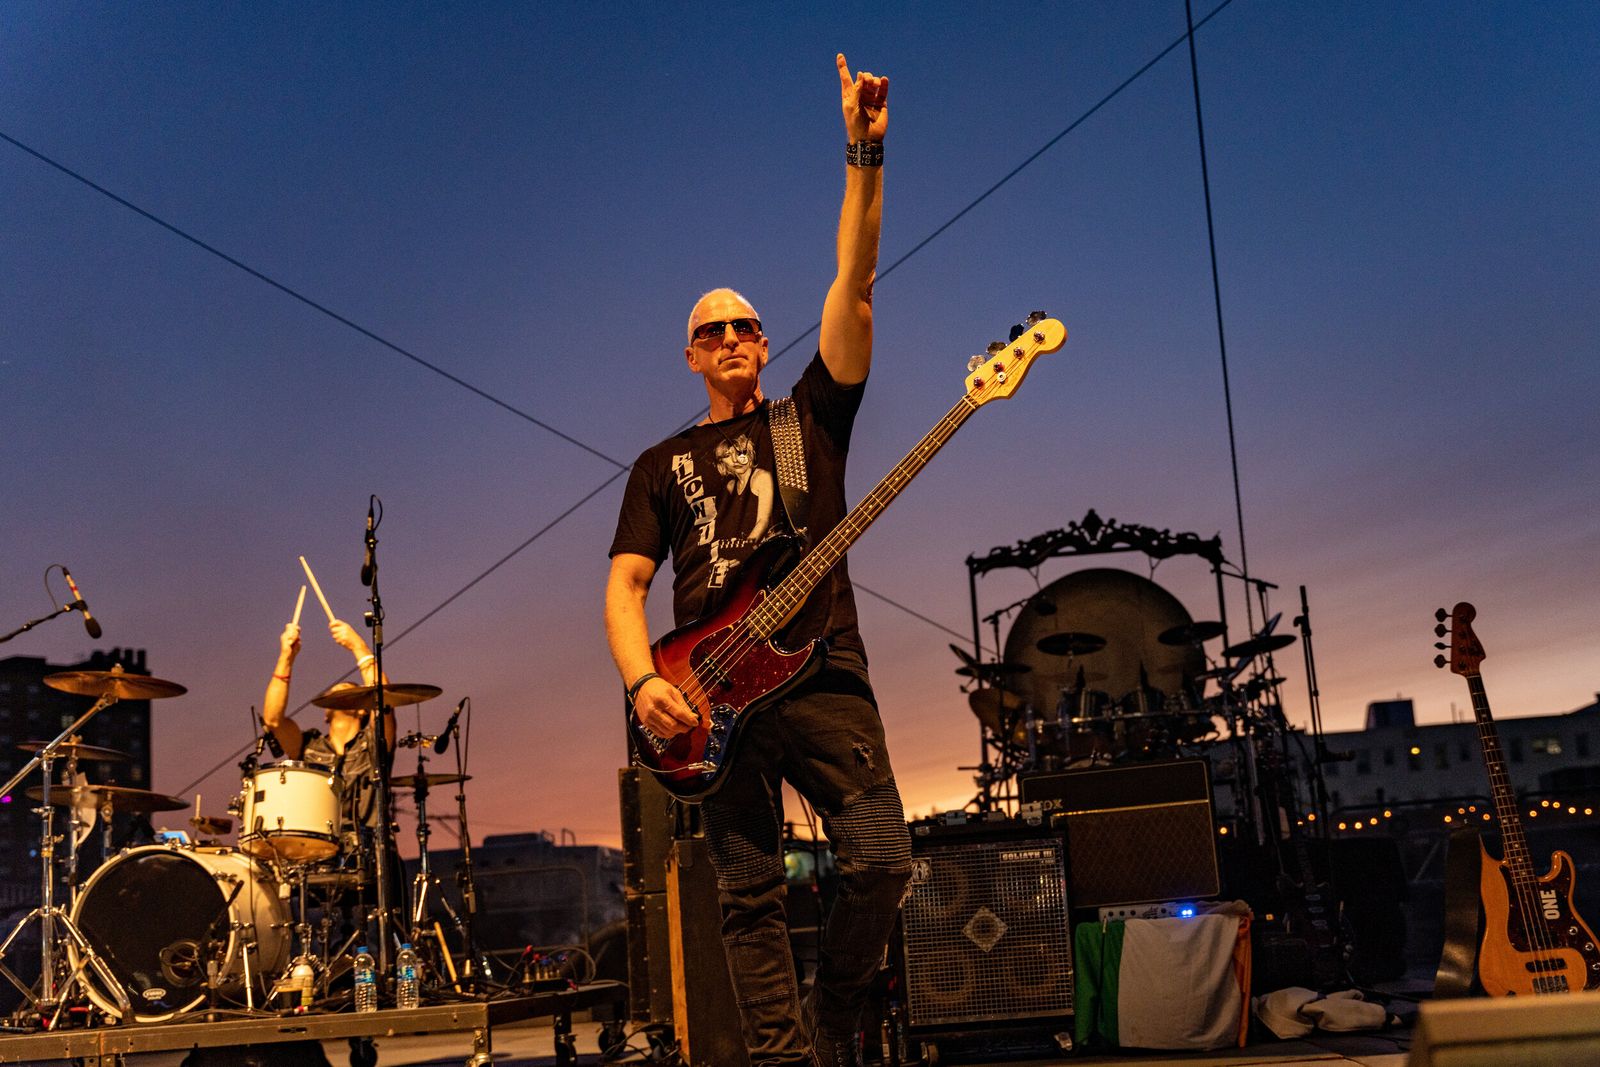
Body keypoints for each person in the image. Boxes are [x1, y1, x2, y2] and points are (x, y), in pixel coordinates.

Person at [606, 54, 910, 1067]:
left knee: (882, 859)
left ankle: (835, 1019)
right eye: (712, 329)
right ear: (692, 355)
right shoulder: (659, 463)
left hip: (821, 665)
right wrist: (643, 679)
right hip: (711, 691)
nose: (732, 335)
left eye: (745, 324)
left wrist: (862, 153)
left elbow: (855, 283)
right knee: (748, 894)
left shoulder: (809, 418)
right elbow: (626, 586)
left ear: (767, 342)